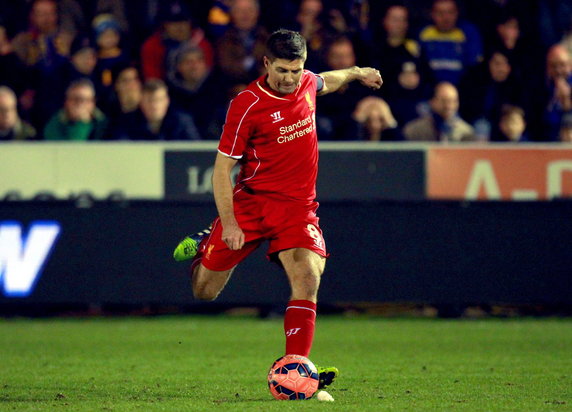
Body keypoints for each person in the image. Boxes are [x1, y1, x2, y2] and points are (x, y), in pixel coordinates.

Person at [172, 29, 381, 387]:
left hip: (298, 209)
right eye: (281, 70)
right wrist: (230, 223)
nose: (288, 79)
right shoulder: (247, 104)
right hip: (251, 206)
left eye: (295, 71)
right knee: (204, 292)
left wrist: (357, 71)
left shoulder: (306, 84)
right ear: (266, 63)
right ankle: (210, 241)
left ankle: (296, 369)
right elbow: (222, 171)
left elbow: (326, 80)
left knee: (308, 275)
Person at [109, 78, 200, 141]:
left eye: (159, 100)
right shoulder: (127, 122)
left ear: (166, 101)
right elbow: (120, 147)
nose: (154, 105)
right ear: (141, 101)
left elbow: (193, 150)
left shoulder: (182, 122)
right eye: (150, 100)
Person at [417, 0, 483, 86]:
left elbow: (475, 68)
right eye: (440, 13)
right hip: (430, 90)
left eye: (450, 12)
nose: (446, 17)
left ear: (457, 13)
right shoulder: (423, 33)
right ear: (432, 14)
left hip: (461, 89)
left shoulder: (468, 32)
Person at [403, 81, 475, 142]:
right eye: (444, 101)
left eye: (454, 101)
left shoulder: (466, 133)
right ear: (432, 102)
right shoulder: (414, 131)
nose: (449, 106)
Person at [43, 79, 108, 141]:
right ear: (67, 101)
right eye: (76, 99)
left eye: (87, 100)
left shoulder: (103, 124)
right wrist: (81, 124)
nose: (80, 104)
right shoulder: (55, 123)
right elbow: (72, 149)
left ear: (93, 103)